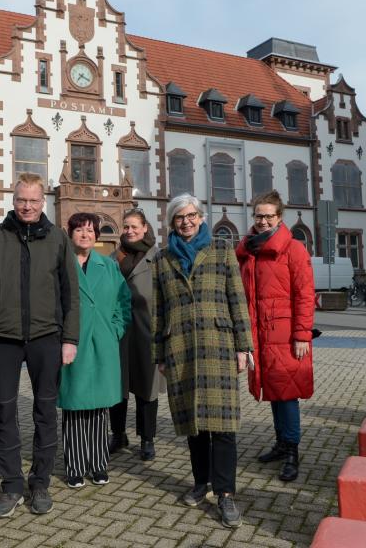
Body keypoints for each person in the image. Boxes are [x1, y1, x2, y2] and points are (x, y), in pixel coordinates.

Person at [0, 173, 79, 519]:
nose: (27, 206)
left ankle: (40, 482)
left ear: (42, 201)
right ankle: (12, 485)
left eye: (33, 200)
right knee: (4, 412)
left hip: (47, 337)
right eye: (21, 200)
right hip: (2, 339)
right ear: (12, 200)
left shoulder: (59, 240)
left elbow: (71, 295)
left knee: (45, 411)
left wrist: (70, 339)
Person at [152, 193, 253, 528]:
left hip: (218, 344)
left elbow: (237, 301)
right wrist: (159, 354)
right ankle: (201, 482)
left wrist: (244, 347)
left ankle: (225, 494)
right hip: (180, 346)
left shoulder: (222, 251)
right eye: (180, 217)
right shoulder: (164, 259)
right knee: (193, 422)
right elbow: (159, 310)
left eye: (192, 215)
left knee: (222, 425)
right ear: (172, 223)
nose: (187, 222)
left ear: (202, 217)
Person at [235, 190, 315, 482]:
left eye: (269, 216)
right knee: (272, 390)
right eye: (259, 216)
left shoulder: (293, 250)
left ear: (279, 218)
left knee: (287, 393)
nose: (263, 221)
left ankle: (292, 450)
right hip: (259, 333)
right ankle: (281, 444)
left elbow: (305, 295)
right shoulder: (247, 251)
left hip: (285, 334)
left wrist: (302, 335)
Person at [58, 213, 131, 488]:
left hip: (102, 342)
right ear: (70, 234)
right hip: (72, 343)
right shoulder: (62, 266)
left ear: (97, 236)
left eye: (90, 230)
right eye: (79, 230)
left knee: (99, 409)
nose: (85, 235)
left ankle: (99, 464)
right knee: (75, 406)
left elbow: (124, 303)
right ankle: (75, 466)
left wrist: (115, 329)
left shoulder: (109, 266)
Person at [109, 208, 164, 461]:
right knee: (117, 387)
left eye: (134, 227)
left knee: (146, 389)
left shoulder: (159, 258)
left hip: (147, 331)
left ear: (145, 228)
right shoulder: (112, 258)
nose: (130, 231)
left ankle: (147, 438)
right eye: (126, 227)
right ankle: (118, 434)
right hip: (118, 332)